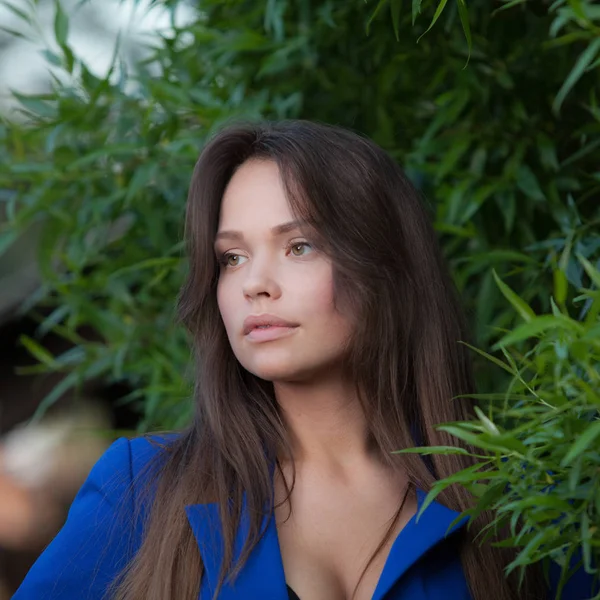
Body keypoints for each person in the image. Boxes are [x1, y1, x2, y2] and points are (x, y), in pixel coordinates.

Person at [13, 121, 596, 600]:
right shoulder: (142, 488)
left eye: (299, 246)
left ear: (385, 269)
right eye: (232, 258)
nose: (254, 285)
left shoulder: (516, 498)